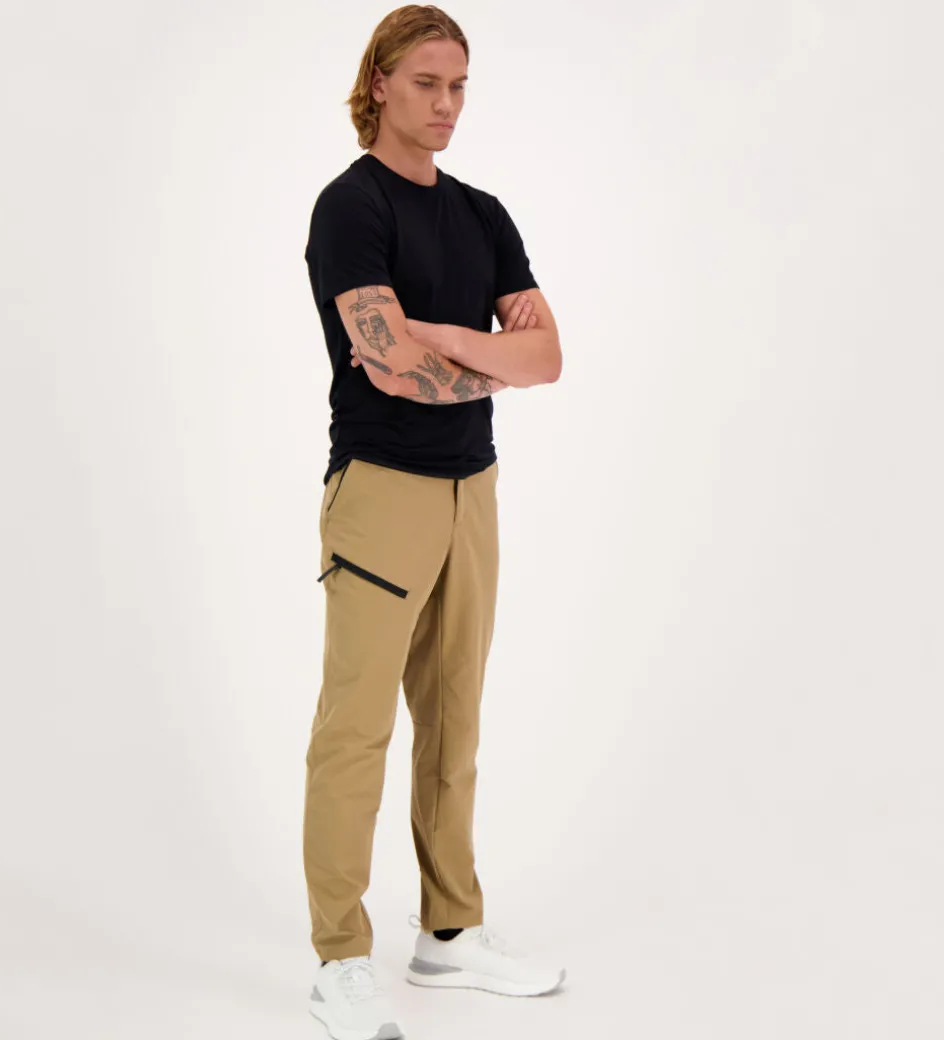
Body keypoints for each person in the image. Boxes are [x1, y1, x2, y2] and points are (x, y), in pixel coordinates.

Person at [302, 6, 565, 1038]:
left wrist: (445, 337)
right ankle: (338, 955)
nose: (447, 103)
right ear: (378, 83)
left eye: (458, 85)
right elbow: (387, 368)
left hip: (472, 487)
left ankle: (449, 931)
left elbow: (546, 356)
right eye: (425, 83)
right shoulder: (350, 208)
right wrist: (488, 358)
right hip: (380, 489)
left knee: (456, 717)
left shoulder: (484, 214)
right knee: (356, 728)